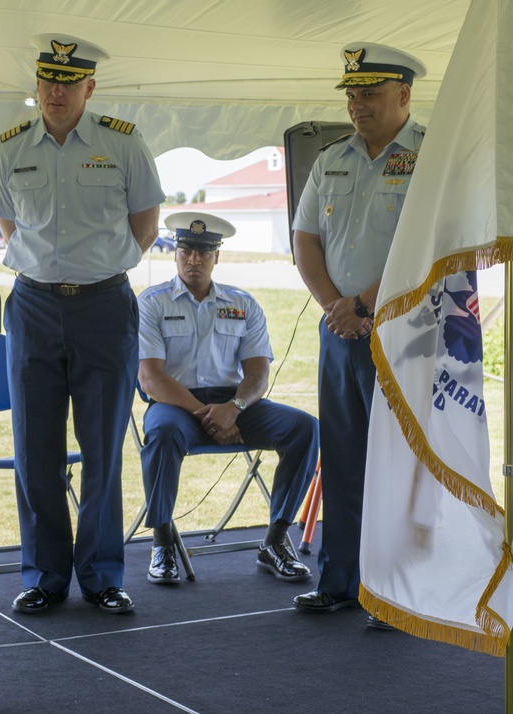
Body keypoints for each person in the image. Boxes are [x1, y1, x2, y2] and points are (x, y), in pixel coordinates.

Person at [0, 33, 165, 615]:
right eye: (47, 81)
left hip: (104, 306)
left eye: (68, 82)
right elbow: (9, 224)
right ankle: (44, 574)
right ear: (35, 85)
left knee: (103, 445)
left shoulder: (123, 144)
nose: (56, 92)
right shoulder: (11, 148)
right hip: (33, 306)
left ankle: (103, 575)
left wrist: (95, 272)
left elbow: (146, 224)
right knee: (35, 448)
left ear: (90, 86)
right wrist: (46, 271)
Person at [291, 43, 426, 620]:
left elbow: (425, 243)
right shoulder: (330, 158)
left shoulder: (430, 158)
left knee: (398, 461)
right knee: (343, 456)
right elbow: (305, 240)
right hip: (340, 331)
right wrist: (334, 306)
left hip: (408, 330)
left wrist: (363, 303)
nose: (357, 104)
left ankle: (395, 591)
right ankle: (341, 579)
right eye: (351, 94)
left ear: (404, 94)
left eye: (369, 93)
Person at [137, 212, 318, 586]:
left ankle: (275, 541)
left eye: (204, 252)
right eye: (186, 249)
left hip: (235, 405)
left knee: (305, 428)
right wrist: (211, 416)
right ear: (174, 252)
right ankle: (162, 543)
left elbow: (257, 374)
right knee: (162, 434)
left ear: (217, 256)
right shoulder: (152, 303)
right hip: (175, 406)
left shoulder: (242, 303)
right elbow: (152, 379)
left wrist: (232, 410)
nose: (194, 259)